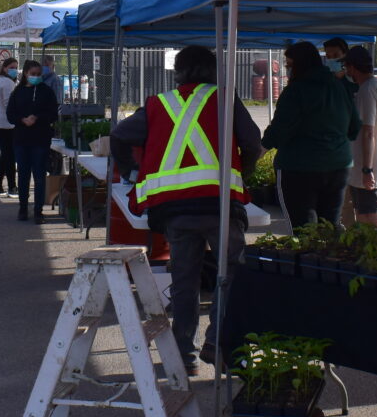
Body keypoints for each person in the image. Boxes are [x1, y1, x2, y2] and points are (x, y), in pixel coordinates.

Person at [110, 45, 263, 375]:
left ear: (177, 72)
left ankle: (183, 357)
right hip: (220, 205)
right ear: (213, 72)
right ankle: (222, 345)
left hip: (175, 209)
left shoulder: (158, 104)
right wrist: (240, 174)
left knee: (185, 281)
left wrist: (132, 173)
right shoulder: (225, 99)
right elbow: (253, 144)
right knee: (232, 276)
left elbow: (120, 135)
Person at [263, 41, 361, 231]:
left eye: (289, 65)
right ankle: (327, 259)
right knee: (329, 226)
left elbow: (279, 129)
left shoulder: (295, 91)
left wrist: (258, 151)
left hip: (299, 168)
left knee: (303, 228)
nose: (287, 70)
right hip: (338, 166)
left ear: (300, 65)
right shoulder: (339, 86)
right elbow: (354, 127)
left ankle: (305, 260)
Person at [342, 45, 377, 228]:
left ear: (353, 67)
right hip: (371, 165)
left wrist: (367, 170)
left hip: (369, 166)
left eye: (347, 67)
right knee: (363, 216)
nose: (346, 71)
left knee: (372, 215)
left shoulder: (367, 90)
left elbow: (368, 131)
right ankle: (373, 251)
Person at [5, 59, 59, 221]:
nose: (35, 77)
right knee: (23, 174)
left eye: (38, 74)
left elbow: (53, 114)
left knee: (39, 175)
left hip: (40, 139)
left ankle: (38, 211)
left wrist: (37, 117)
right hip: (21, 139)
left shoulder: (46, 91)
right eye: (32, 74)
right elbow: (10, 115)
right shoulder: (18, 92)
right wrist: (22, 119)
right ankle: (22, 208)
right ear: (26, 74)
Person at [0, 58, 19, 197]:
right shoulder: (7, 82)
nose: (14, 70)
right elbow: (9, 104)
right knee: (10, 156)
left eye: (16, 67)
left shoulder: (0, 81)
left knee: (5, 154)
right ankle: (12, 187)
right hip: (6, 124)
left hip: (0, 122)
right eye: (12, 67)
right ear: (5, 68)